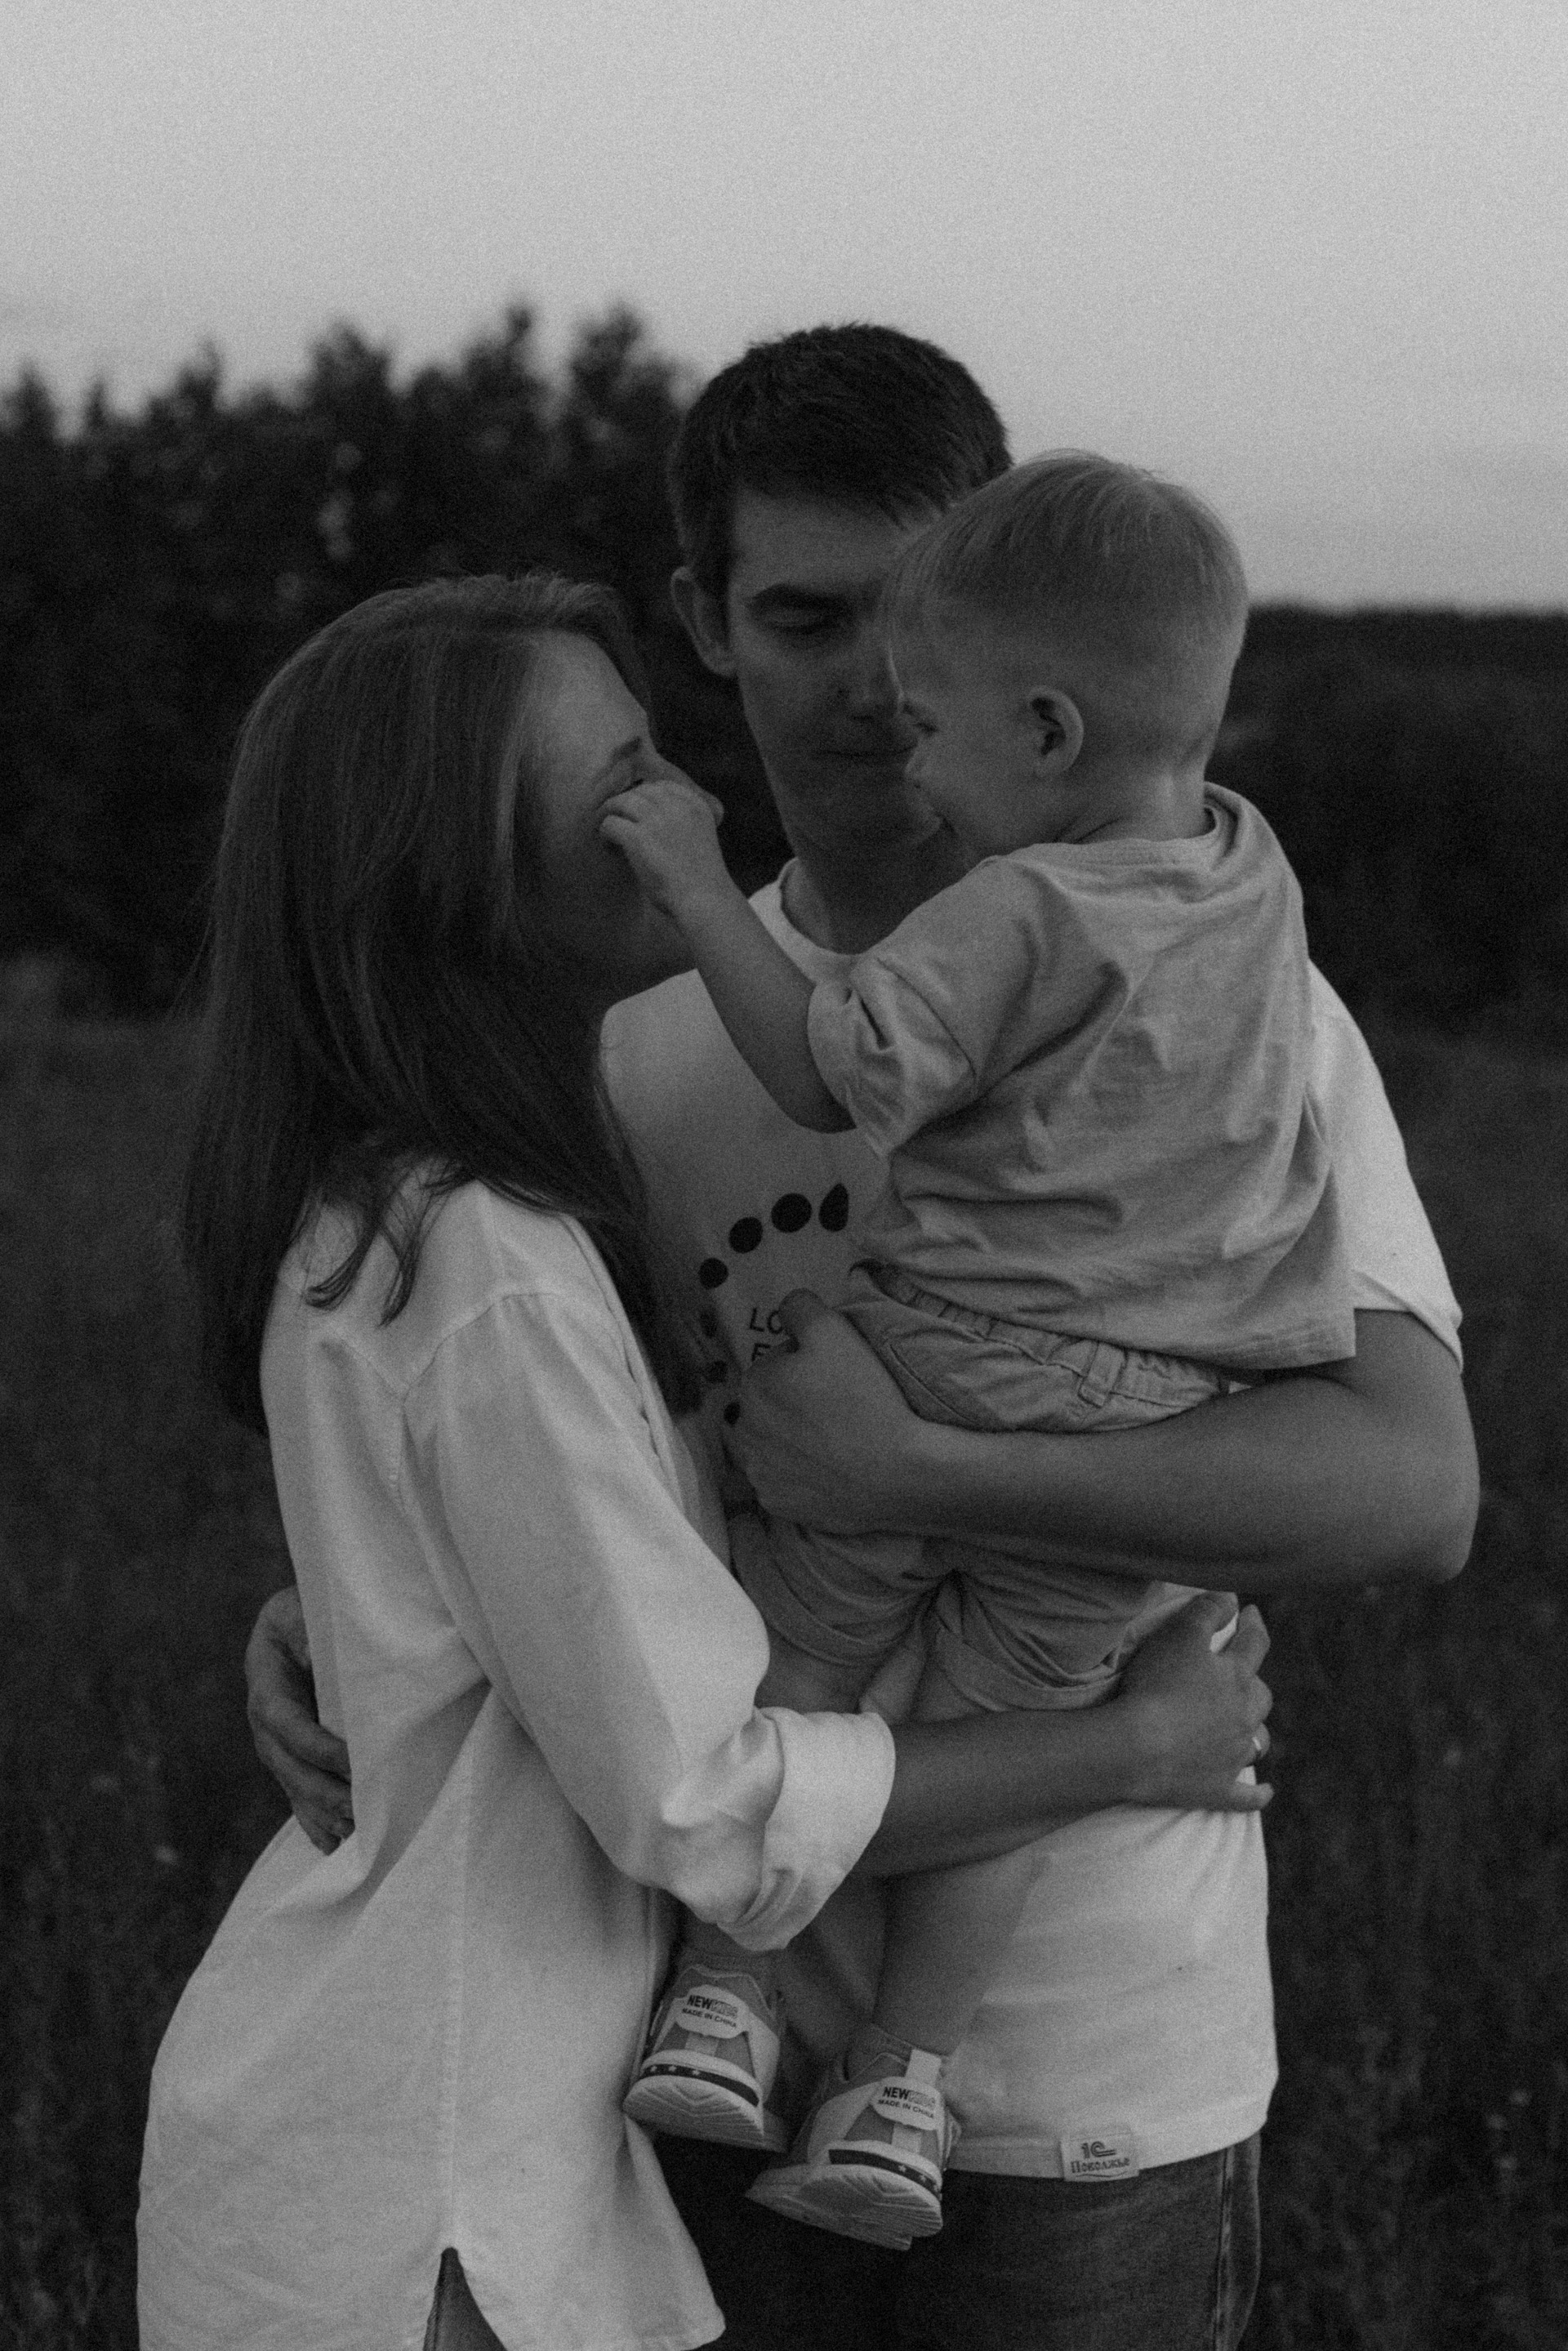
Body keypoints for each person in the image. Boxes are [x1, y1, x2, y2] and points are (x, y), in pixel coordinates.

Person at [246, 328, 1477, 2350]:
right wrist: (350, 1607)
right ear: (705, 626)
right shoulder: (630, 1049)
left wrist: (928, 1468)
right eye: (808, 620)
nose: (881, 688)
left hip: (1087, 2107)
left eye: (918, 616)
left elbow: (1416, 1492)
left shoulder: (1230, 1018)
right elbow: (560, 1469)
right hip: (678, 2075)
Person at [140, 569, 1274, 2351]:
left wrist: (358, 1619)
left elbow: (542, 1570)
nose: (687, 802)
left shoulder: (447, 1206)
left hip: (455, 2150)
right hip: (430, 2189)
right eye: (622, 785)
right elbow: (698, 1798)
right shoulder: (484, 1255)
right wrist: (1137, 1743)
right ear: (457, 885)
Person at [604, 448, 1356, 2246]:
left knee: (804, 1650)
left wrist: (696, 885)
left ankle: (728, 2000)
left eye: (933, 723)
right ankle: (899, 2093)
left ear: (1045, 730)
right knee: (1011, 1741)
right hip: (1158, 1411)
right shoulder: (1252, 881)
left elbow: (828, 1071)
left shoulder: (1019, 907)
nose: (908, 755)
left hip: (946, 1351)